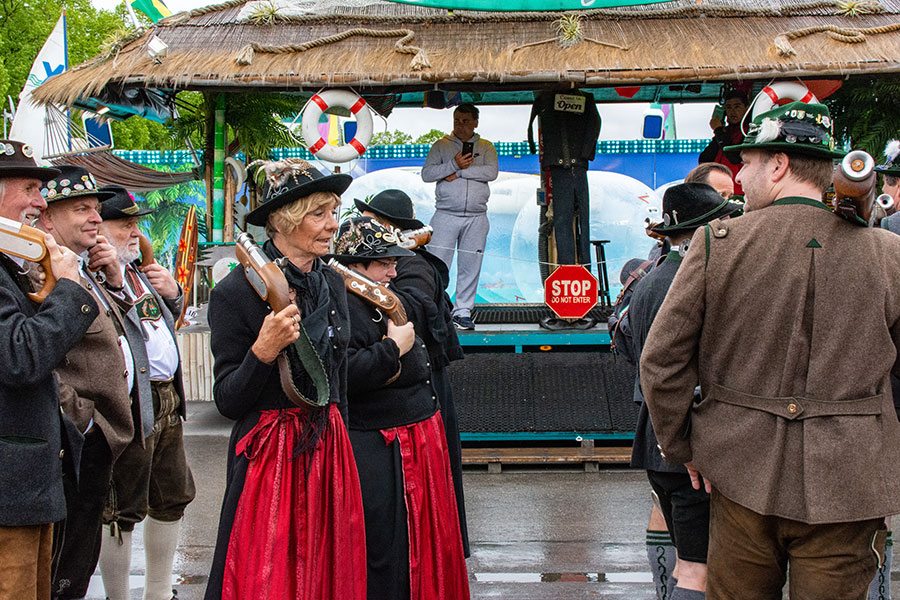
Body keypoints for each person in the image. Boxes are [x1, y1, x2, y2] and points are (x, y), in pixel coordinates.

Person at [641, 100, 900, 598]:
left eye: (750, 162)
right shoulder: (888, 253)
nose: (741, 176)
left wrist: (683, 449)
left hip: (738, 476)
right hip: (851, 484)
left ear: (779, 165)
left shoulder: (719, 242)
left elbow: (662, 362)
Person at [205, 160, 366, 600]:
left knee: (329, 570)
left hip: (328, 444)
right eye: (320, 214)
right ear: (285, 221)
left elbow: (339, 379)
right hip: (269, 459)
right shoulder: (236, 292)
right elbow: (228, 401)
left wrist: (343, 444)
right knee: (266, 576)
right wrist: (263, 351)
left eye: (334, 211)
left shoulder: (332, 284)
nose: (333, 224)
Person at [332, 216, 470, 600]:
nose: (394, 271)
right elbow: (343, 374)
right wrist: (392, 348)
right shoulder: (342, 305)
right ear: (356, 266)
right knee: (384, 549)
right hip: (377, 444)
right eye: (384, 263)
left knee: (416, 546)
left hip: (410, 439)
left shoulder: (379, 295)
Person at [629, 183, 742, 600]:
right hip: (685, 444)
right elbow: (674, 371)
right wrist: (692, 446)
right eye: (724, 220)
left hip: (658, 440)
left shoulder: (651, 279)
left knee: (687, 564)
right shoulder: (685, 280)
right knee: (699, 571)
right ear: (705, 229)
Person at [35, 165, 141, 600]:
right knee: (60, 569)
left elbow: (127, 335)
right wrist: (81, 420)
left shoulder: (88, 267)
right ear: (47, 218)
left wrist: (116, 282)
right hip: (74, 443)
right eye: (81, 208)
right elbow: (38, 357)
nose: (96, 218)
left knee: (79, 566)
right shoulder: (38, 273)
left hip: (102, 438)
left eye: (96, 209)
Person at [0, 141, 97, 600]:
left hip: (26, 489)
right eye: (31, 188)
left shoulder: (10, 263)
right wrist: (69, 291)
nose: (41, 202)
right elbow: (20, 357)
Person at [96, 185, 196, 600]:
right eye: (124, 224)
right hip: (129, 399)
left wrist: (172, 296)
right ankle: (118, 596)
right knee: (121, 508)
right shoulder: (91, 274)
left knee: (171, 496)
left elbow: (157, 329)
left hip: (165, 396)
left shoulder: (137, 268)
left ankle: (157, 591)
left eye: (137, 223)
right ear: (98, 228)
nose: (135, 231)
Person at [421, 103, 498, 330]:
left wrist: (460, 171)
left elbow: (491, 172)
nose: (460, 125)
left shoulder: (486, 147)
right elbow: (427, 174)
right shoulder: (440, 146)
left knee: (470, 264)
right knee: (438, 264)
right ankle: (438, 308)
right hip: (445, 214)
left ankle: (463, 310)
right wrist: (453, 163)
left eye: (465, 121)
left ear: (475, 122)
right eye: (457, 120)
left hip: (476, 215)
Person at [526, 88, 602, 266]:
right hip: (565, 165)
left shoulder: (584, 98)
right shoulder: (546, 98)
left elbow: (595, 123)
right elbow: (596, 123)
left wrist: (585, 153)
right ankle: (572, 267)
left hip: (567, 164)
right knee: (565, 220)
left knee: (575, 220)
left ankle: (582, 268)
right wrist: (585, 154)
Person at [698, 90, 749, 195]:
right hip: (720, 191)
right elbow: (704, 159)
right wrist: (719, 132)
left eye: (737, 106)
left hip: (741, 191)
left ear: (746, 108)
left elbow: (735, 157)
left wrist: (718, 131)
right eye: (728, 107)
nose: (732, 112)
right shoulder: (725, 131)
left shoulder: (749, 131)